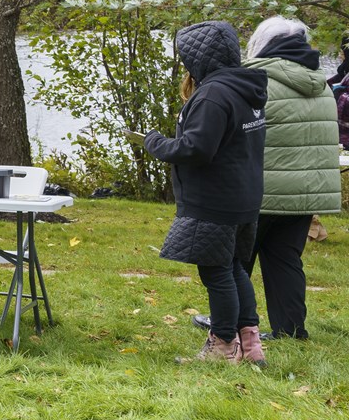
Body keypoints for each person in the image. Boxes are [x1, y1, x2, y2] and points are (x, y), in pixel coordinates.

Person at [191, 18, 339, 344]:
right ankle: (290, 330)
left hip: (261, 190)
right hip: (306, 192)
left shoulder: (256, 80)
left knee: (235, 262)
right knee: (286, 259)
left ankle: (229, 325)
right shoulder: (321, 84)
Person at [137, 20, 268, 364]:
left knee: (216, 272)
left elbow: (196, 149)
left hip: (216, 200)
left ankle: (223, 344)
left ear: (199, 59)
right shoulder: (244, 89)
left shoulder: (213, 94)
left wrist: (155, 143)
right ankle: (250, 345)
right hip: (244, 197)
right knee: (234, 267)